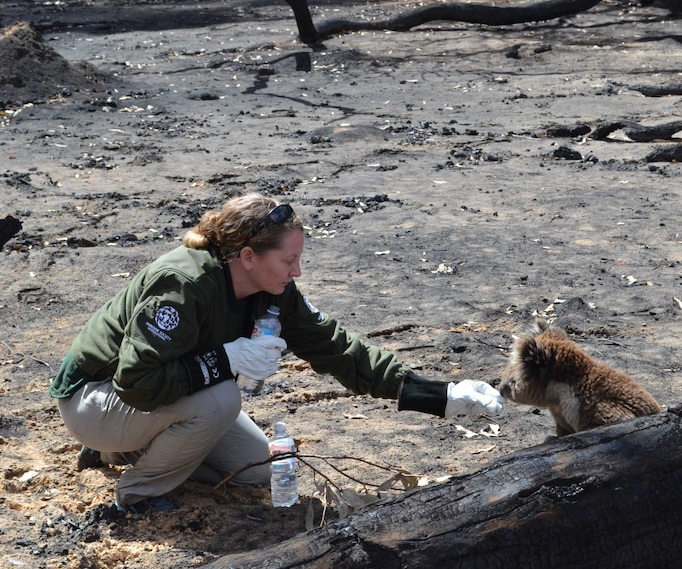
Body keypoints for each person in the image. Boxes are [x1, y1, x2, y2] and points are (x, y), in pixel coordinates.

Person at [50, 192, 504, 514]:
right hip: (96, 398)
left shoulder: (273, 291)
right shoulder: (183, 286)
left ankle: (122, 453)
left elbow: (337, 348)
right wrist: (223, 361)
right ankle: (138, 493)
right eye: (288, 261)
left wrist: (436, 395)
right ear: (248, 256)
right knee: (223, 398)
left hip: (146, 403)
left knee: (258, 470)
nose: (298, 270)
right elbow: (138, 382)